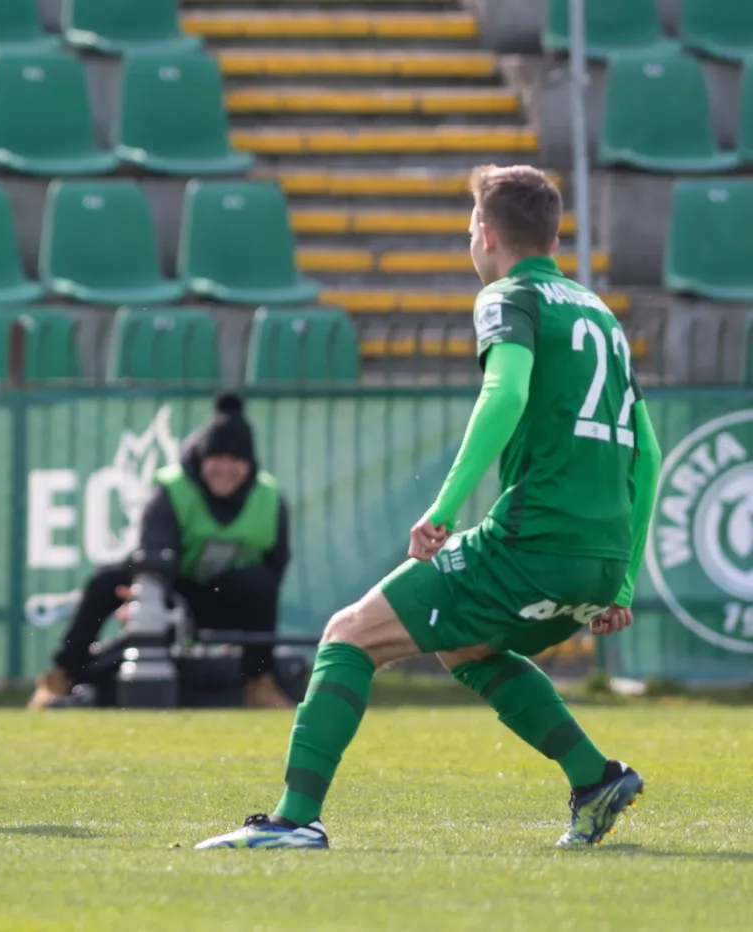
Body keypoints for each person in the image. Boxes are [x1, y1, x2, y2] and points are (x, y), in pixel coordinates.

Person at [195, 164, 662, 851]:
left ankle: (296, 820)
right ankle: (595, 779)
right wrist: (621, 576)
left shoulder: (511, 296)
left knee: (349, 634)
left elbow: (503, 394)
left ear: (485, 231)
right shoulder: (599, 314)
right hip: (595, 559)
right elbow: (646, 453)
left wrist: (444, 508)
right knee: (464, 646)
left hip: (534, 541)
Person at [28, 392, 293, 711]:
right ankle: (61, 676)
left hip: (225, 594)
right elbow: (155, 554)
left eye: (235, 460)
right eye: (217, 458)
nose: (225, 467)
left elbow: (276, 565)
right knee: (105, 583)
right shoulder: (173, 488)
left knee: (260, 584)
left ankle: (260, 684)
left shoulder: (268, 497)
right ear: (202, 459)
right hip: (172, 588)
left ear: (249, 466)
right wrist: (150, 608)